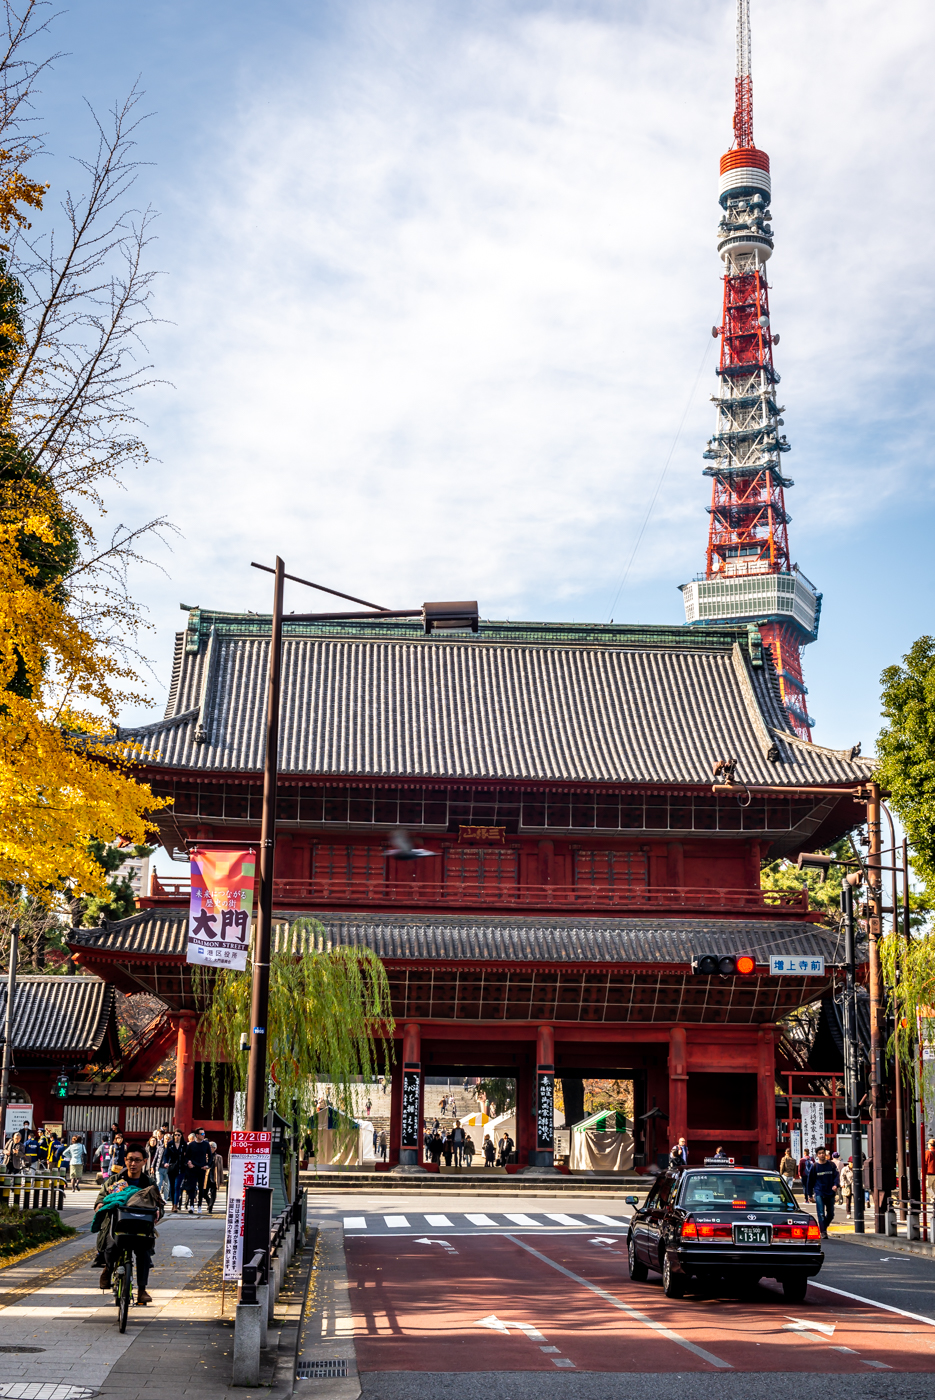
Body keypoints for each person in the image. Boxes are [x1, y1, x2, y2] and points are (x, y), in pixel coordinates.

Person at [94, 1144, 164, 1305]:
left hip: (140, 1228)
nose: (133, 1164)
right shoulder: (114, 1180)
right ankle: (108, 1269)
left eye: (137, 1160)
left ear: (144, 1161)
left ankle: (141, 1290)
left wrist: (158, 1211)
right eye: (130, 1160)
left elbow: (160, 1204)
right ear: (125, 1160)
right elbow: (100, 1198)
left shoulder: (149, 1183)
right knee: (111, 1248)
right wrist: (99, 1205)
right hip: (117, 1227)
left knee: (144, 1253)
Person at [805, 1146, 839, 1238]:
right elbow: (810, 1181)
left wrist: (836, 1185)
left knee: (831, 1214)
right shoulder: (815, 1167)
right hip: (819, 1192)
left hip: (830, 1192)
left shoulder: (831, 1165)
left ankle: (823, 1227)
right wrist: (809, 1194)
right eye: (819, 1153)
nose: (821, 1155)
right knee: (821, 1213)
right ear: (817, 1155)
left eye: (823, 1153)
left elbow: (836, 1176)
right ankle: (823, 1232)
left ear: (826, 1154)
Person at [182, 1129, 212, 1214]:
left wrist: (207, 1165)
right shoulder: (191, 1145)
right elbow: (186, 1156)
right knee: (192, 1187)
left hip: (202, 1168)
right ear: (197, 1135)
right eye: (201, 1134)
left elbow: (210, 1156)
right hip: (193, 1168)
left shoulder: (206, 1144)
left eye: (204, 1133)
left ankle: (199, 1205)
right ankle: (191, 1205)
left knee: (201, 1187)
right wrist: (188, 1162)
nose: (203, 1135)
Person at [163, 1129, 185, 1211]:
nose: (177, 1136)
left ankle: (176, 1205)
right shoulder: (170, 1144)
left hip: (181, 1168)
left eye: (179, 1135)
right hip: (171, 1167)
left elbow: (187, 1155)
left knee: (177, 1186)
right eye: (175, 1135)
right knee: (172, 1187)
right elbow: (166, 1155)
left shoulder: (184, 1144)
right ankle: (173, 1204)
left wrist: (188, 1161)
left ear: (181, 1136)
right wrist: (165, 1163)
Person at [205, 1141, 224, 1214]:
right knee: (204, 1193)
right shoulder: (205, 1156)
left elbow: (221, 1169)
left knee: (213, 1193)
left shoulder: (218, 1157)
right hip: (206, 1177)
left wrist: (221, 1179)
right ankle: (209, 1202)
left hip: (214, 1177)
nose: (209, 1148)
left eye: (211, 1147)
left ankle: (210, 1207)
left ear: (215, 1148)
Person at [926, 1138, 935, 1205]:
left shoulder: (928, 1152)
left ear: (931, 1144)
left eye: (928, 1143)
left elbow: (925, 1163)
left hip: (929, 1172)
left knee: (927, 1186)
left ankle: (934, 1197)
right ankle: (933, 1201)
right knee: (933, 1187)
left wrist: (922, 1172)